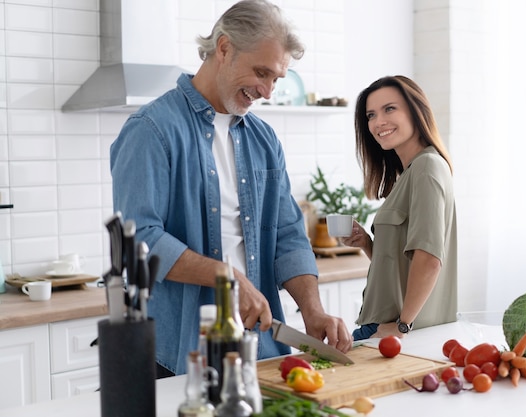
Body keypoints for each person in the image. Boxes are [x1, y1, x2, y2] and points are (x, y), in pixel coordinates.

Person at [110, 0, 352, 377]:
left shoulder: (263, 138)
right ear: (223, 48)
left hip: (261, 348)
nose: (268, 91)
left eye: (277, 79)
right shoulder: (152, 130)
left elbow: (288, 234)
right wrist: (228, 278)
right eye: (261, 72)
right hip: (181, 353)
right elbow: (138, 241)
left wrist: (312, 310)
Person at [343, 75, 458, 341]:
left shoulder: (427, 168)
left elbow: (429, 260)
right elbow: (404, 264)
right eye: (371, 115)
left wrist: (403, 325)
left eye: (389, 109)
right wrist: (368, 244)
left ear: (416, 112)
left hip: (397, 331)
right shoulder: (410, 173)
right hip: (388, 328)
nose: (378, 122)